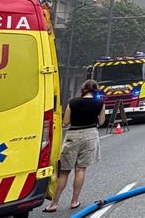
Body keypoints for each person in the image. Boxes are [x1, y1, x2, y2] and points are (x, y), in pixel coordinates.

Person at [44, 80, 105, 212]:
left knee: (64, 171)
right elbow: (101, 121)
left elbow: (65, 122)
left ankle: (53, 204)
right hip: (90, 135)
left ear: (83, 89)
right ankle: (74, 201)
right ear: (95, 90)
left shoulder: (72, 102)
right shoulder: (100, 103)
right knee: (80, 169)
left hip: (73, 135)